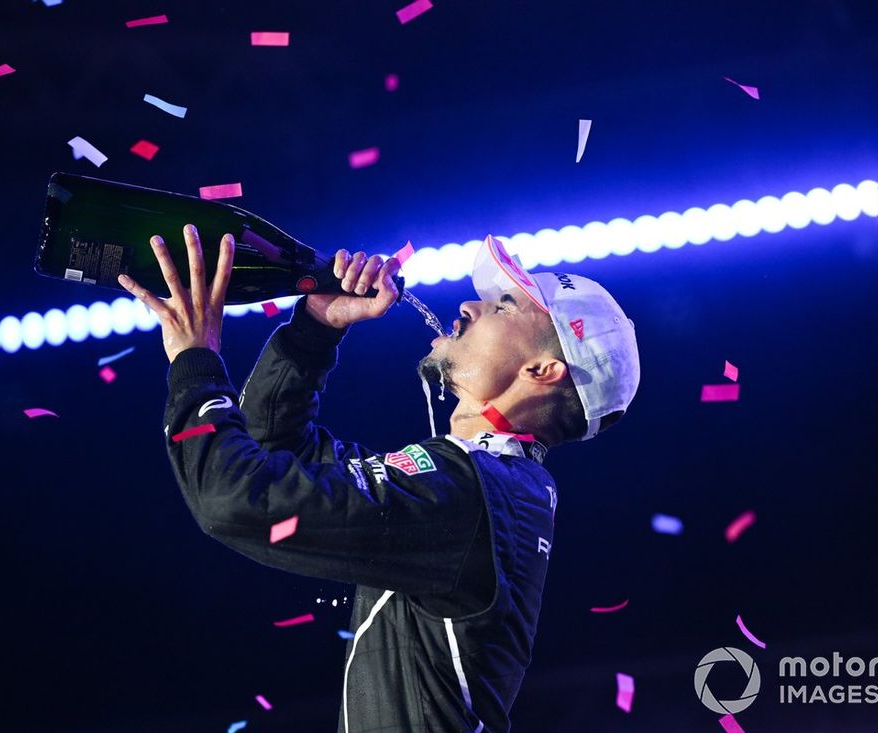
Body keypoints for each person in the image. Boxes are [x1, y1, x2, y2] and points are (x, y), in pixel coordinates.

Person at [118, 224, 640, 732]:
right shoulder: (490, 488)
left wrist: (195, 362)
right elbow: (270, 452)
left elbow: (234, 500)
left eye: (505, 306)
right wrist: (314, 330)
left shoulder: (475, 493)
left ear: (542, 371)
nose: (469, 306)